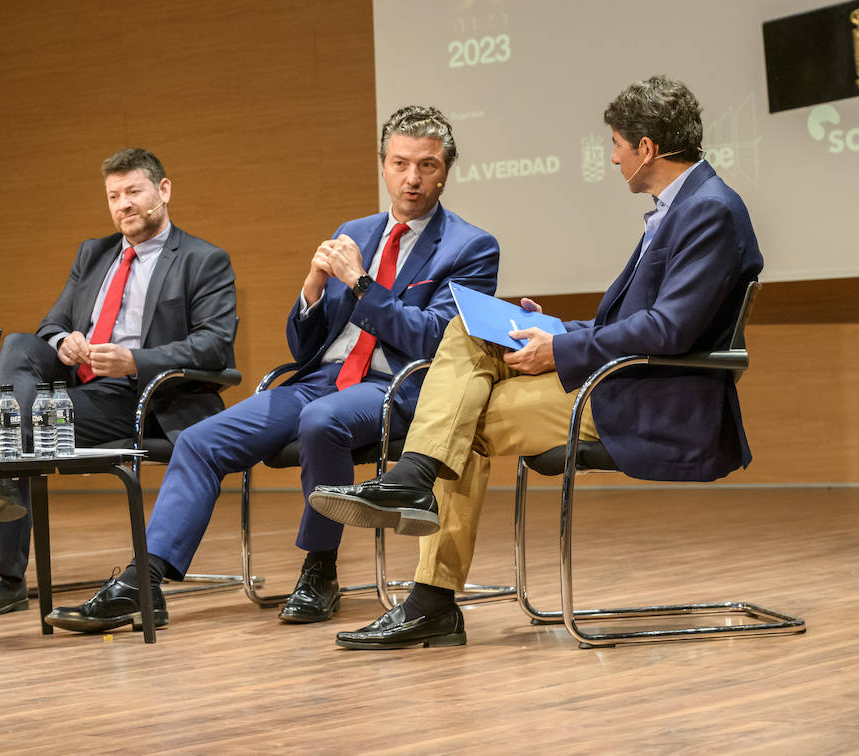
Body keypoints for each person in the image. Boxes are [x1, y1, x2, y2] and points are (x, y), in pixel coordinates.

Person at [310, 75, 763, 650]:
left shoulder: (710, 210)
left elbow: (669, 329)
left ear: (647, 149)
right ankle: (414, 489)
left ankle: (428, 581)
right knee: (468, 329)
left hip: (648, 394)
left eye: (618, 144)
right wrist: (554, 328)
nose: (613, 155)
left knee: (462, 423)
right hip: (621, 373)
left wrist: (562, 348)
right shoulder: (683, 205)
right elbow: (642, 320)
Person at [45, 106, 500, 633]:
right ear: (383, 166)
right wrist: (310, 290)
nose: (412, 178)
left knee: (321, 422)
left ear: (446, 170)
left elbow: (435, 340)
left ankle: (319, 569)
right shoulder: (356, 230)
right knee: (198, 440)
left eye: (426, 165)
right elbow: (306, 342)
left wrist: (359, 284)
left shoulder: (471, 247)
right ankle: (145, 581)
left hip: (394, 387)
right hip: (318, 381)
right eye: (400, 163)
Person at [0, 148, 237, 619]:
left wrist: (133, 360)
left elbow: (214, 345)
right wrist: (63, 342)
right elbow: (50, 323)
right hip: (76, 389)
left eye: (133, 192)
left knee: (22, 434)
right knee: (19, 344)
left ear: (163, 191)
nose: (123, 205)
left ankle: (2, 557)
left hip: (143, 398)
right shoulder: (93, 253)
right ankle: (1, 475)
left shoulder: (203, 259)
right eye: (113, 196)